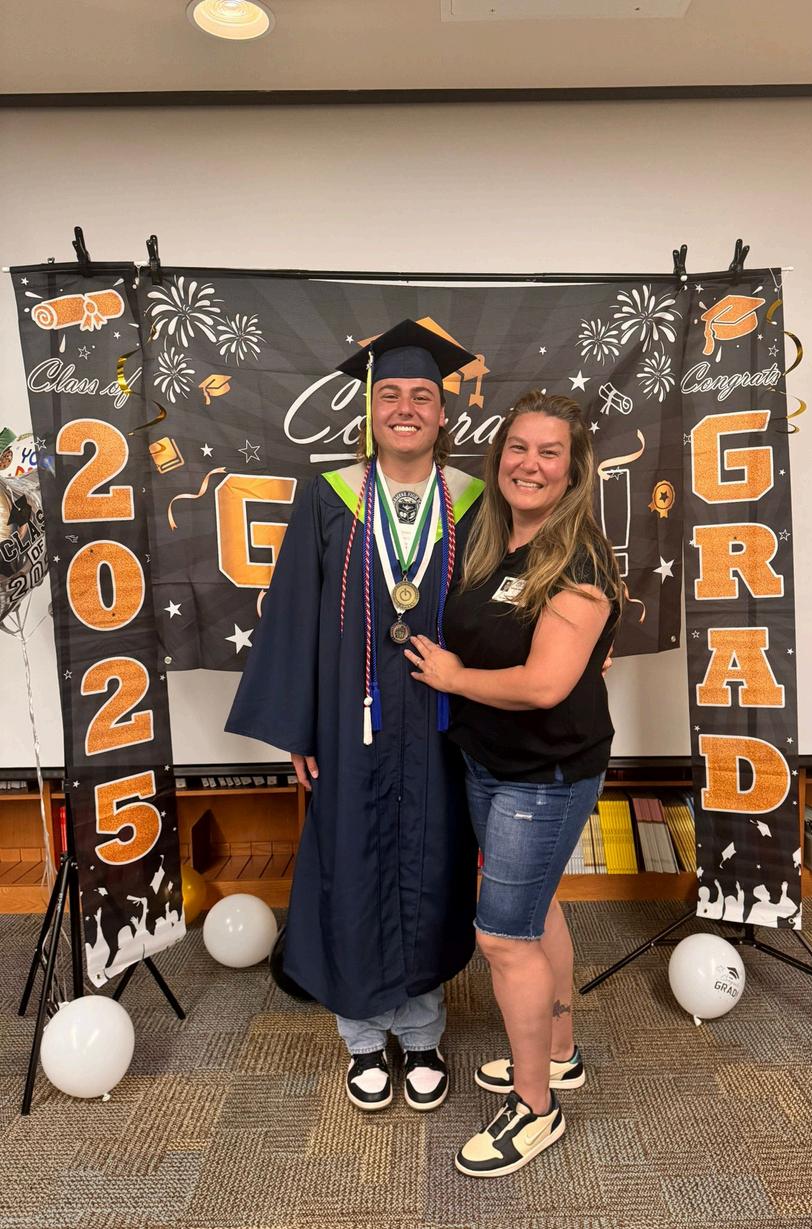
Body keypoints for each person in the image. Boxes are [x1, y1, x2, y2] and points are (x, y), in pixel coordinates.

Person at [226, 320, 484, 1112]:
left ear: (443, 414)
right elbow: (295, 614)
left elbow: (509, 603)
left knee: (433, 864)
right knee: (351, 862)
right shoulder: (328, 495)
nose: (406, 408)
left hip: (442, 721)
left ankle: (423, 1030)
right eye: (391, 395)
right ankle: (363, 1037)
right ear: (370, 410)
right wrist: (301, 727)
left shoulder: (474, 501)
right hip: (353, 722)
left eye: (422, 396)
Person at [405, 390, 621, 1176]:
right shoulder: (491, 536)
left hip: (546, 773)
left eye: (549, 452)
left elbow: (543, 684)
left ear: (573, 469)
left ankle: (536, 1108)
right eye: (518, 448)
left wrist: (455, 677)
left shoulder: (579, 558)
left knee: (503, 935)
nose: (530, 464)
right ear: (500, 458)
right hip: (489, 760)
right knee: (536, 907)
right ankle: (559, 1052)